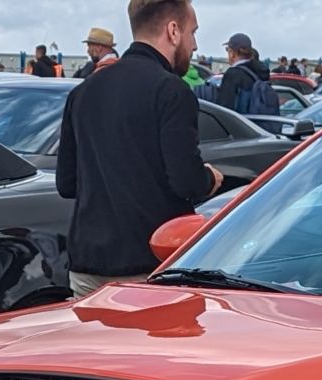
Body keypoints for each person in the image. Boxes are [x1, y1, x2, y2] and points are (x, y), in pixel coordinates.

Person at [57, 0, 223, 297]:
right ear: (173, 31)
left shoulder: (83, 92)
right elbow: (186, 180)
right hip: (149, 262)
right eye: (193, 32)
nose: (195, 45)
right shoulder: (171, 91)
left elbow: (67, 184)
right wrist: (210, 178)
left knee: (93, 344)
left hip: (87, 263)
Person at [214, 32, 270, 112]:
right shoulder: (260, 72)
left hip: (239, 122)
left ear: (232, 53)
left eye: (228, 50)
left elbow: (224, 109)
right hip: (255, 122)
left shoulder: (232, 74)